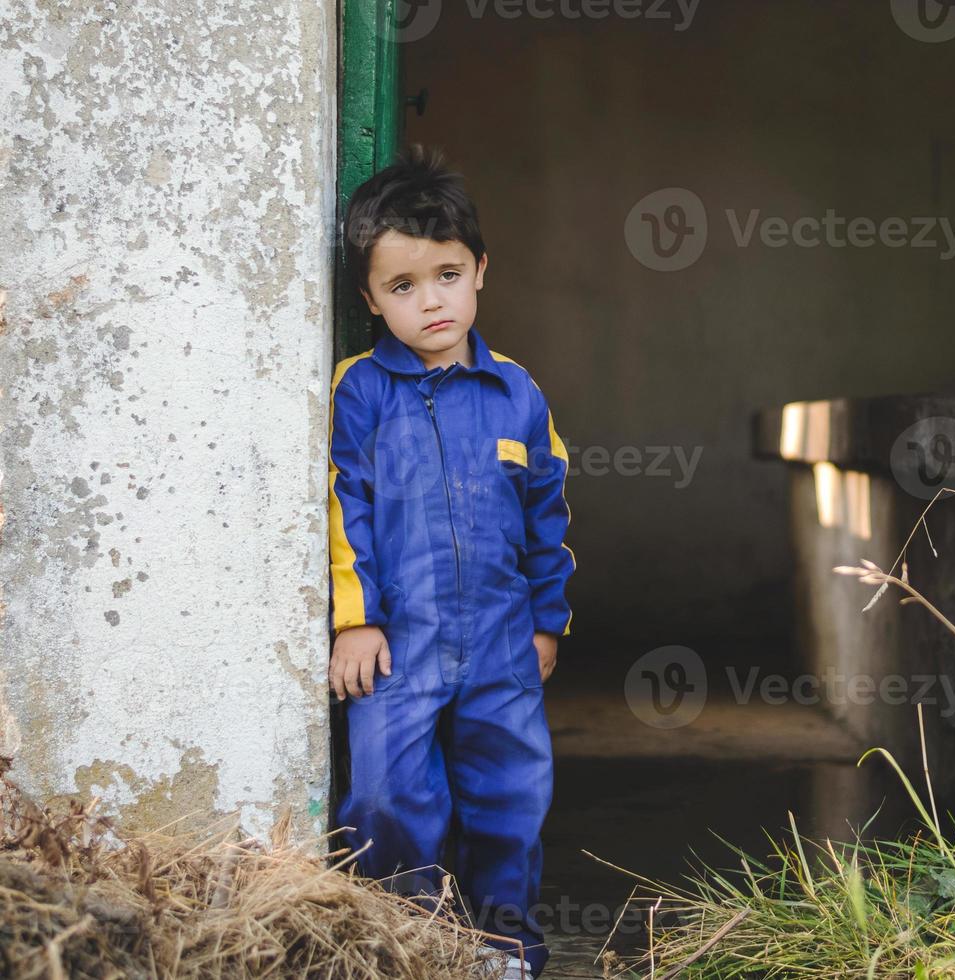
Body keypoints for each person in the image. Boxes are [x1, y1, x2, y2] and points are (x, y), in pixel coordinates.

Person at [327, 143, 574, 980]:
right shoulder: (360, 389)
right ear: (370, 296)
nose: (430, 301)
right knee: (389, 794)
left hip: (503, 640)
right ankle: (406, 941)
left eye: (447, 275)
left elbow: (548, 515)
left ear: (480, 274)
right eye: (402, 286)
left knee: (513, 795)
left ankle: (506, 944)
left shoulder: (518, 393)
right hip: (401, 639)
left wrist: (547, 621)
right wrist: (355, 621)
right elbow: (343, 503)